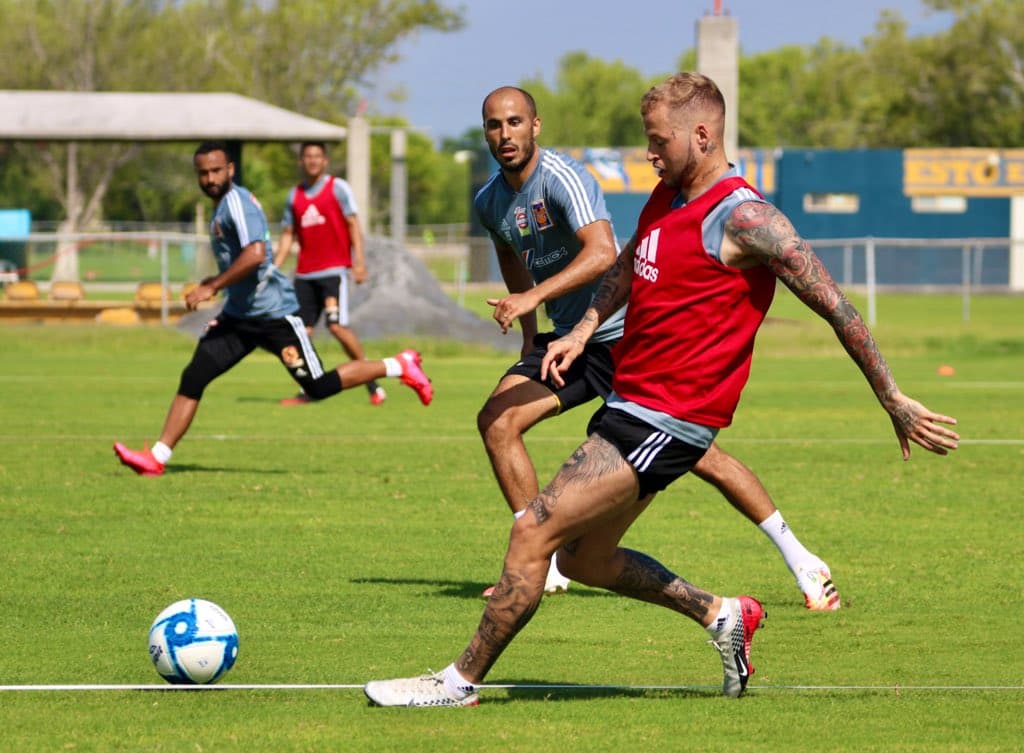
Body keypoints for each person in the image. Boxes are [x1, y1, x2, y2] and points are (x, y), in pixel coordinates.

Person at [364, 73, 959, 707]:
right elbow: (622, 267)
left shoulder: (748, 218)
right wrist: (581, 329)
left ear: (701, 135)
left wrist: (891, 396)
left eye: (658, 141)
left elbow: (837, 305)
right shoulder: (665, 197)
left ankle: (457, 683)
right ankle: (722, 615)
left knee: (533, 531)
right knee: (587, 561)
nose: (650, 154)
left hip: (669, 418)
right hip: (630, 402)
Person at [474, 85, 840, 609]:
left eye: (514, 122)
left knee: (702, 457)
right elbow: (511, 254)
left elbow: (605, 253)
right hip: (572, 341)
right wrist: (534, 332)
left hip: (621, 337)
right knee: (498, 420)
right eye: (493, 124)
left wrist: (536, 298)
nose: (504, 134)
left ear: (535, 126)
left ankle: (801, 558)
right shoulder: (490, 200)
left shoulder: (563, 178)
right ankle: (545, 560)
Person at [113, 142, 433, 477]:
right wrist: (219, 281)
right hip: (239, 317)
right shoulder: (222, 205)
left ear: (230, 170)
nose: (209, 178)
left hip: (275, 316)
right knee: (195, 375)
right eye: (203, 173)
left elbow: (254, 255)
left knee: (318, 386)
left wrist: (214, 286)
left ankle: (399, 364)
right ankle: (157, 458)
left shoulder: (237, 203)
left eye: (216, 171)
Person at [274, 141, 386, 406]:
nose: (312, 161)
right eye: (307, 157)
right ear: (301, 161)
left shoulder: (337, 188)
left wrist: (359, 262)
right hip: (304, 274)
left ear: (325, 161)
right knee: (301, 333)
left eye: (317, 156)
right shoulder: (295, 196)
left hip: (333, 272)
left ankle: (372, 381)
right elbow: (288, 235)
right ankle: (310, 390)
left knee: (336, 326)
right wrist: (273, 269)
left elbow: (353, 225)